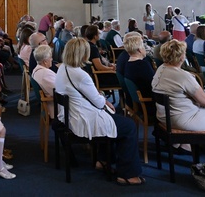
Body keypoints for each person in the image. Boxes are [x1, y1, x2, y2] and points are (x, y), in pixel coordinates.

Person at [55, 38, 145, 185]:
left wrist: (101, 99)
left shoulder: (63, 67)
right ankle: (127, 174)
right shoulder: (80, 74)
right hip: (81, 118)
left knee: (113, 119)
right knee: (128, 127)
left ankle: (103, 159)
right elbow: (97, 101)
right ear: (83, 54)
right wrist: (104, 98)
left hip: (70, 114)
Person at [122, 33, 155, 117]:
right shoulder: (143, 65)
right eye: (143, 47)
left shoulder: (128, 63)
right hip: (150, 105)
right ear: (139, 50)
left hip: (140, 103)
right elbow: (154, 84)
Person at [31, 44, 56, 118]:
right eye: (50, 57)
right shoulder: (45, 74)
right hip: (55, 107)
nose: (52, 59)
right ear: (45, 62)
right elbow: (59, 91)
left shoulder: (36, 70)